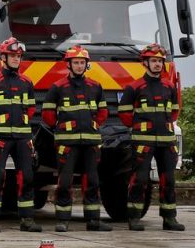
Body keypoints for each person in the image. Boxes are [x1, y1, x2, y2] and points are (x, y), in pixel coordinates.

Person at [42, 46, 111, 233]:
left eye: (82, 63)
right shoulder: (58, 87)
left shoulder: (96, 87)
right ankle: (62, 220)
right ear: (69, 65)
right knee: (65, 182)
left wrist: (93, 124)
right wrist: (62, 127)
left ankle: (93, 221)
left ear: (86, 65)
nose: (79, 66)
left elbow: (103, 111)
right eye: (76, 63)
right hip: (67, 143)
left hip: (90, 143)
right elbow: (47, 114)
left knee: (93, 181)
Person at [120, 43, 184, 231]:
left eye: (160, 61)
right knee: (139, 179)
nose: (157, 64)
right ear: (145, 63)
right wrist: (142, 128)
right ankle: (134, 217)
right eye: (154, 61)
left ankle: (169, 218)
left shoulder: (169, 87)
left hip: (166, 141)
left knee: (169, 180)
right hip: (143, 141)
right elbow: (125, 115)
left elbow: (173, 112)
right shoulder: (134, 87)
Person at [0, 37, 40, 233]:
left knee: (27, 177)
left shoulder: (27, 83)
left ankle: (27, 220)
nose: (16, 59)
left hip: (22, 138)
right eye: (12, 56)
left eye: (18, 56)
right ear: (3, 58)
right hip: (0, 137)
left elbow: (30, 110)